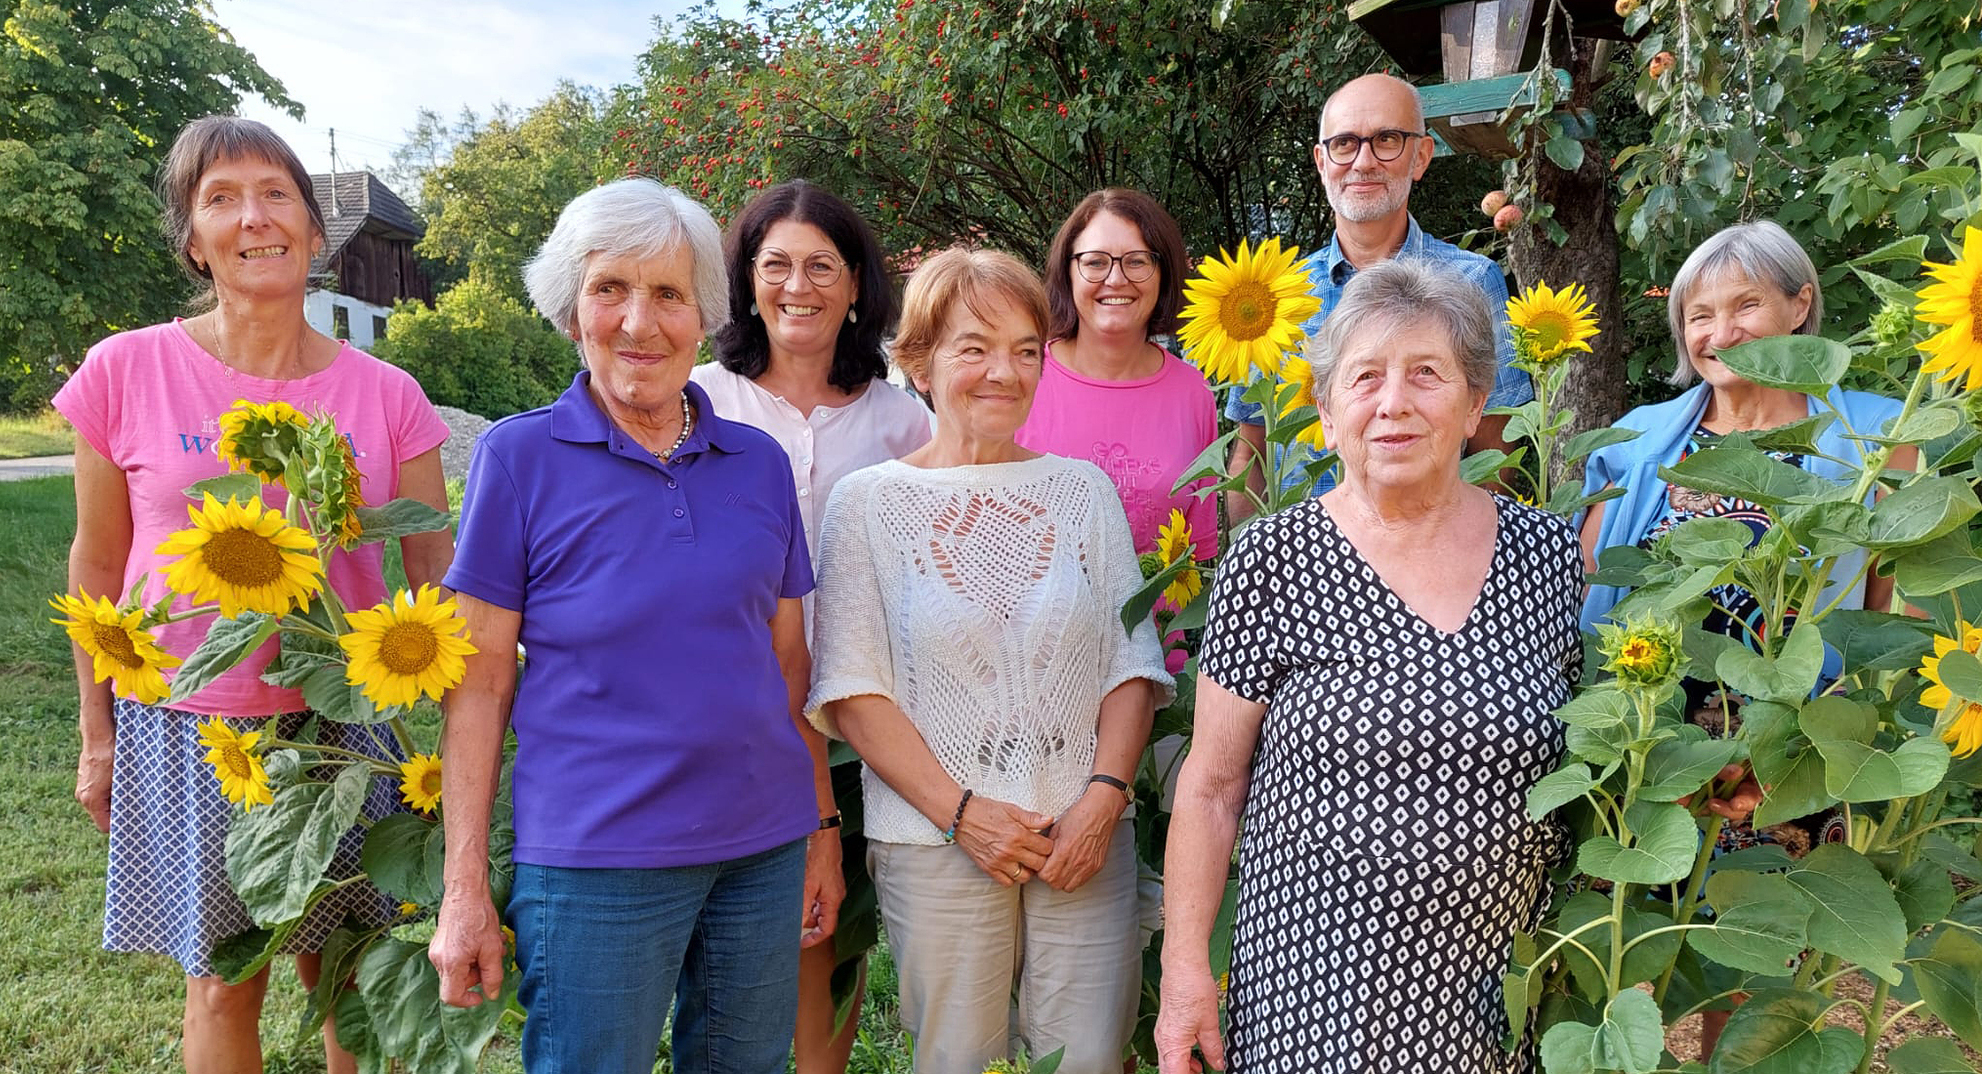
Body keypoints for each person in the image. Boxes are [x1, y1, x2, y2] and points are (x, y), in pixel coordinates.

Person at [52, 115, 452, 1074]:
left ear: (317, 233)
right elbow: (97, 566)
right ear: (192, 239)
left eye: (277, 195)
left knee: (350, 974)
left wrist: (451, 752)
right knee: (223, 982)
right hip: (195, 724)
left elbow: (437, 579)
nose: (254, 219)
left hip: (353, 730)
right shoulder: (123, 370)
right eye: (221, 198)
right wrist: (96, 733)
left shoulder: (388, 396)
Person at [428, 178, 841, 1074]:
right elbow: (481, 679)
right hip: (594, 858)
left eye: (668, 293)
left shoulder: (758, 464)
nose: (638, 322)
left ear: (704, 317)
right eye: (609, 288)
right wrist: (463, 884)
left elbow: (787, 664)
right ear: (571, 311)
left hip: (760, 852)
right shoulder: (519, 458)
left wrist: (817, 825)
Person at [1156, 258, 1583, 1074]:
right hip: (1310, 1004)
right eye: (1365, 378)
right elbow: (1210, 787)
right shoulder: (1272, 560)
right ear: (1324, 408)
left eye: (1428, 373)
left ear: (1475, 403)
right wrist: (1183, 973)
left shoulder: (1551, 556)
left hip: (1498, 999)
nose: (1394, 403)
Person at [807, 248, 1174, 1074]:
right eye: (974, 347)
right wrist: (963, 813)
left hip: (1086, 835)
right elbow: (852, 688)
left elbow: (1131, 663)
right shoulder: (868, 503)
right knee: (955, 1061)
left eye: (1025, 350)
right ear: (920, 360)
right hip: (938, 839)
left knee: (1088, 1059)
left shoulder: (1083, 491)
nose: (1002, 372)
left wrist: (1105, 801)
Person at [1576, 219, 1908, 1056]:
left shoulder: (1878, 440)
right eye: (1699, 313)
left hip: (1787, 741)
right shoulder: (1648, 438)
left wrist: (1836, 733)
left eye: (1746, 304)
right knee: (1629, 942)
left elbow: (1888, 619)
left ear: (1801, 307)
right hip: (1651, 737)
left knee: (1749, 960)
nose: (1719, 332)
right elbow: (1592, 583)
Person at [695, 178, 931, 1073]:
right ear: (747, 281)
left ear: (858, 285)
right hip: (735, 710)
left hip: (863, 709)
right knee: (743, 933)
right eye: (777, 265)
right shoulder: (700, 398)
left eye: (822, 267)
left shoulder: (900, 418)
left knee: (834, 932)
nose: (800, 286)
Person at [1224, 73, 1532, 518]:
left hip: (1432, 561)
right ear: (1321, 161)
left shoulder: (1472, 282)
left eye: (1387, 139)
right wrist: (1256, 566)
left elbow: (1494, 456)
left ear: (1421, 156)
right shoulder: (1272, 297)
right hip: (1303, 571)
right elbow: (1250, 453)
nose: (1363, 161)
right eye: (1344, 143)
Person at [1016, 188, 1215, 554]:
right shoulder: (1023, 378)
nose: (1116, 279)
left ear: (1164, 273)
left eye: (1137, 261)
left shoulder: (1194, 393)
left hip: (1163, 613)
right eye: (1095, 262)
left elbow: (1199, 548)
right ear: (1068, 271)